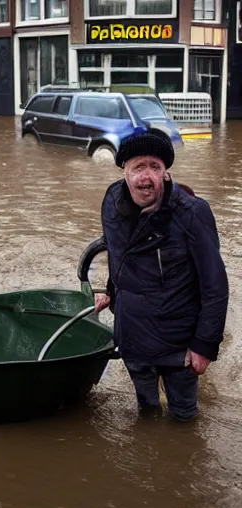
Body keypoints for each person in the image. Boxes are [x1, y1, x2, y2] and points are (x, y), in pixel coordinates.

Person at [94, 128, 228, 422]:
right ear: (124, 172)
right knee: (147, 414)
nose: (147, 177)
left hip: (177, 342)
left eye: (155, 167)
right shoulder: (111, 202)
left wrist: (204, 345)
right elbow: (119, 254)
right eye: (138, 167)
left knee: (184, 419)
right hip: (132, 336)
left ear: (165, 172)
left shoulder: (192, 213)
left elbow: (215, 286)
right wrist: (111, 292)